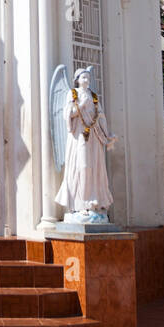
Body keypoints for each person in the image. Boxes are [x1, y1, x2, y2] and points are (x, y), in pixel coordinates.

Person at [55, 67, 116, 216]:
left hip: (93, 135)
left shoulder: (93, 96)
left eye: (88, 78)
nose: (86, 80)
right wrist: (81, 105)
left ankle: (94, 200)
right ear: (77, 79)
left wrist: (106, 134)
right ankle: (80, 203)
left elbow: (100, 115)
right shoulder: (73, 93)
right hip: (79, 134)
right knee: (83, 166)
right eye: (83, 77)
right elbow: (68, 114)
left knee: (95, 166)